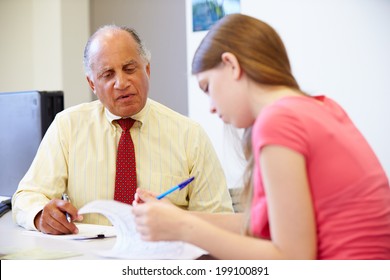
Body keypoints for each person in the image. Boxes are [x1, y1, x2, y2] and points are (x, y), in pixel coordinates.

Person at [132, 13, 390, 259]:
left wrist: (183, 228)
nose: (210, 106)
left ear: (231, 65)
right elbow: (257, 226)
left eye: (208, 87)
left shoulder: (279, 120)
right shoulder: (321, 106)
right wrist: (175, 216)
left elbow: (292, 259)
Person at [12, 25, 233, 235]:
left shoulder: (190, 135)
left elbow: (219, 219)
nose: (121, 83)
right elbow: (27, 196)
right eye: (108, 75)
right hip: (90, 259)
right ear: (92, 84)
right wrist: (41, 215)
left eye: (129, 69)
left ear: (147, 69)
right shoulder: (67, 126)